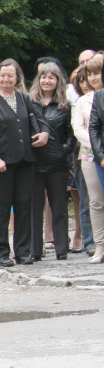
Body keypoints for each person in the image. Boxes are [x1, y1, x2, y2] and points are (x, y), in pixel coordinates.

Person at [0, 58, 50, 267]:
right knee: (1, 208)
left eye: (10, 75)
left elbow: (38, 118)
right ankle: (1, 253)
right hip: (1, 163)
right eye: (3, 75)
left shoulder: (23, 98)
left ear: (17, 77)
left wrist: (44, 133)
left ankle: (23, 251)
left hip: (25, 160)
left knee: (23, 206)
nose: (6, 79)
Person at [29, 62, 74, 260]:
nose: (47, 81)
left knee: (59, 208)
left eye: (51, 77)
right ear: (38, 80)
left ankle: (62, 249)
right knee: (34, 209)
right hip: (34, 164)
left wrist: (63, 152)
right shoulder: (30, 104)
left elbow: (71, 136)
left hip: (57, 164)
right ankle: (35, 250)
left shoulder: (65, 106)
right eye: (43, 77)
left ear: (58, 81)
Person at [73, 57, 104, 262]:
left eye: (96, 73)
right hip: (91, 155)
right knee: (96, 202)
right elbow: (80, 128)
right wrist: (98, 148)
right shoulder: (83, 100)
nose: (92, 78)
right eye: (89, 74)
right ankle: (100, 246)